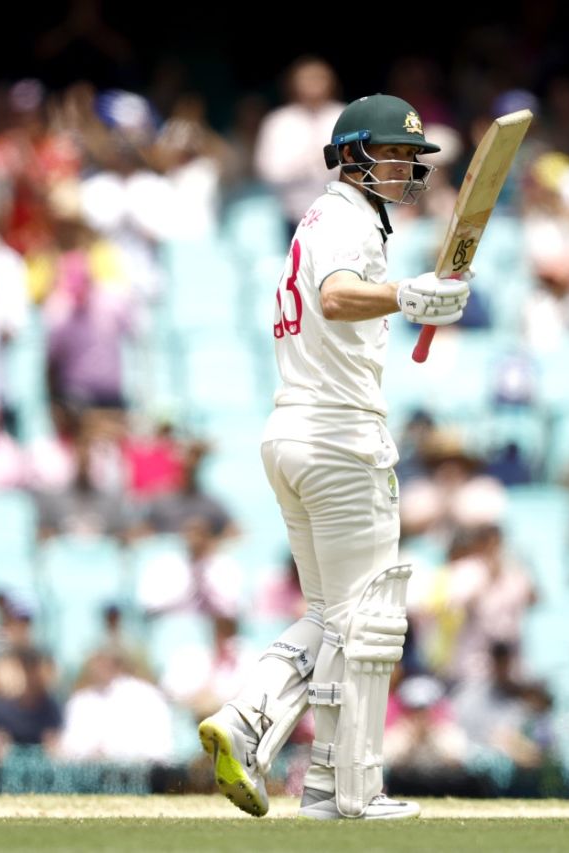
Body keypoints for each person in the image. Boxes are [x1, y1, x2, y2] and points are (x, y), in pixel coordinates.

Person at [197, 93, 471, 821]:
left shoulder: (320, 218)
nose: (406, 168)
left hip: (292, 431)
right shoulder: (347, 219)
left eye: (411, 157)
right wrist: (408, 295)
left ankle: (268, 736)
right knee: (369, 620)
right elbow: (340, 296)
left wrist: (409, 295)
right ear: (352, 157)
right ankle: (354, 792)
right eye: (392, 154)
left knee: (329, 615)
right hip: (340, 438)